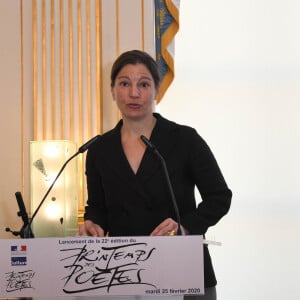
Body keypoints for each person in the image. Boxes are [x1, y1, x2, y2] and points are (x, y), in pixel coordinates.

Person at [78, 50, 232, 300]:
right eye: (124, 83)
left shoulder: (185, 139)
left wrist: (185, 227)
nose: (134, 93)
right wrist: (93, 223)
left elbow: (220, 197)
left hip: (185, 271)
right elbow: (97, 207)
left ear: (157, 90)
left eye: (144, 84)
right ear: (112, 90)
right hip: (124, 274)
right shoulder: (98, 149)